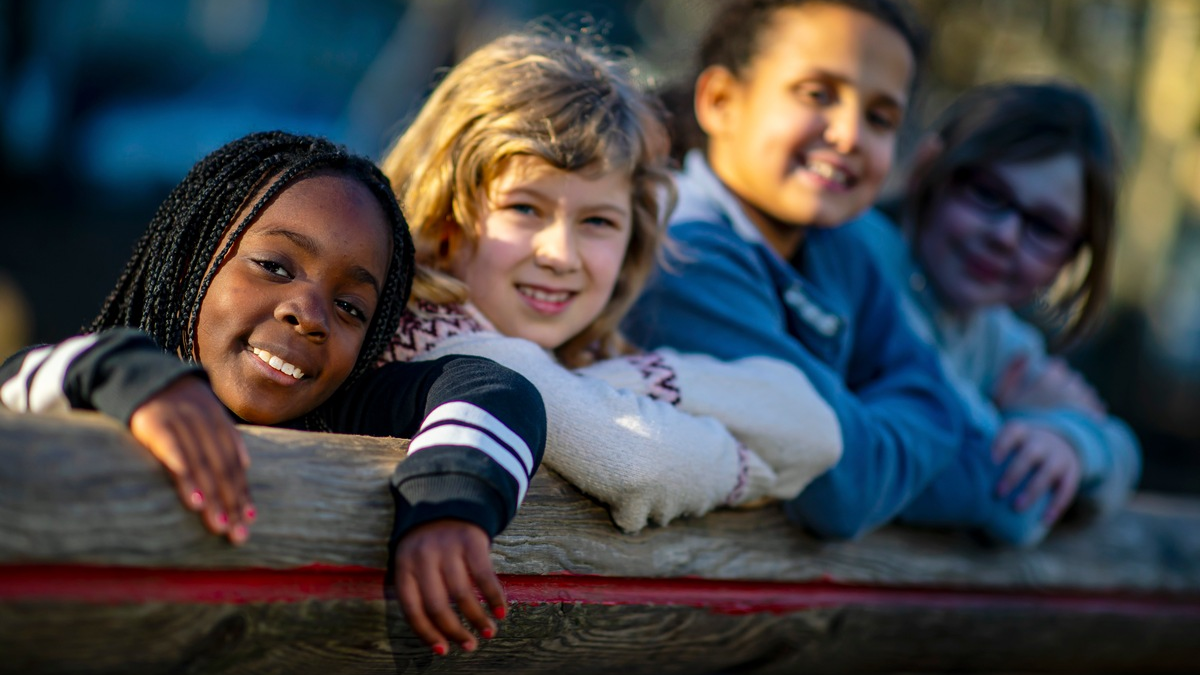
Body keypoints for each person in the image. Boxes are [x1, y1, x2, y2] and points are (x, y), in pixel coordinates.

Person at [0, 131, 547, 655]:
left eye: (350, 308)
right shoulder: (107, 383)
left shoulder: (339, 411)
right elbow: (17, 381)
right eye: (274, 266)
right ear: (193, 259)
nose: (309, 315)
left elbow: (497, 389)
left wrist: (449, 506)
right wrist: (138, 379)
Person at [623, 0, 1059, 545]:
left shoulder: (841, 249)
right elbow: (844, 482)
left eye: (880, 117)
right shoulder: (685, 256)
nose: (850, 134)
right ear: (721, 101)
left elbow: (934, 405)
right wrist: (909, 434)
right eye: (817, 94)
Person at [377, 31, 843, 535]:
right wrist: (745, 470)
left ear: (633, 241)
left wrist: (604, 389)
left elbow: (815, 429)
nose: (560, 255)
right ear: (447, 217)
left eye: (598, 221)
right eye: (524, 209)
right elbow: (636, 463)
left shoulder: (586, 358)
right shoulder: (437, 339)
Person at [856, 81, 1141, 525]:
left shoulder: (993, 331)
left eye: (1044, 228)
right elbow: (1007, 500)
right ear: (930, 168)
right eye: (988, 194)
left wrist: (1071, 443)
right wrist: (1014, 427)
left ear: (1071, 256)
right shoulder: (856, 265)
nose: (1005, 236)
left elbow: (1123, 451)